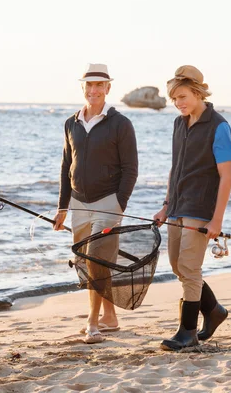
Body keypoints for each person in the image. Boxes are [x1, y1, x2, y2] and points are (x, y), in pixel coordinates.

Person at [153, 65, 231, 351]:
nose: (179, 103)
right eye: (174, 99)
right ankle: (213, 310)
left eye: (183, 96)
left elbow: (226, 176)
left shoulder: (218, 125)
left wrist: (217, 220)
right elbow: (175, 168)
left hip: (201, 206)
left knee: (190, 267)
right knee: (178, 265)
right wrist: (166, 206)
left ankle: (187, 332)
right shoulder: (179, 123)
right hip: (177, 205)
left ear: (198, 92)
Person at [54, 63, 138, 344]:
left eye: (99, 85)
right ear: (83, 88)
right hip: (78, 203)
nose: (94, 90)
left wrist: (118, 205)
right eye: (89, 85)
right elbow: (67, 165)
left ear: (108, 88)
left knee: (96, 259)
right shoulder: (71, 122)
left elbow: (130, 169)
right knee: (87, 262)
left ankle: (92, 323)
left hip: (107, 203)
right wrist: (62, 207)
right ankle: (110, 317)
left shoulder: (121, 124)